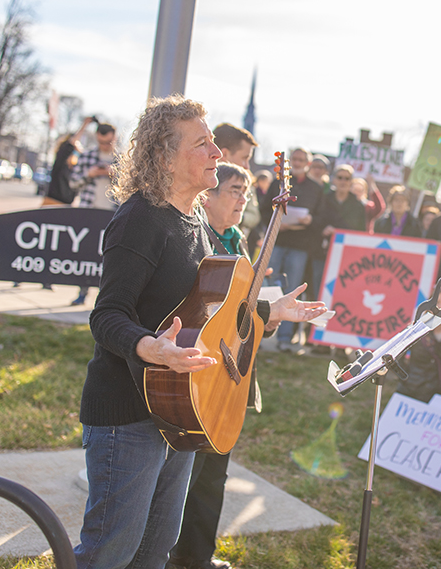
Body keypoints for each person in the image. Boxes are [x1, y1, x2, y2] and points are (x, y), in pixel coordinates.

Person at [74, 95, 325, 569]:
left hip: (179, 408)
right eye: (204, 144)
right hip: (127, 413)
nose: (218, 153)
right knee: (110, 553)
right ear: (165, 156)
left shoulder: (198, 225)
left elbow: (208, 316)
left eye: (215, 143)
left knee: (154, 551)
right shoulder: (140, 219)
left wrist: (269, 312)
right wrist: (153, 348)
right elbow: (106, 317)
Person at [170, 161, 255, 569]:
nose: (243, 198)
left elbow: (245, 319)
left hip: (228, 374)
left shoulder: (239, 244)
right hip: (195, 368)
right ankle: (166, 554)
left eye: (247, 192)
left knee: (212, 475)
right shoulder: (198, 239)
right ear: (210, 195)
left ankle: (197, 558)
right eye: (236, 189)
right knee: (185, 473)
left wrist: (269, 313)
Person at [266, 147, 324, 349]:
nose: (298, 162)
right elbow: (265, 209)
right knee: (268, 286)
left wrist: (310, 220)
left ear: (308, 163)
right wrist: (276, 224)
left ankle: (284, 339)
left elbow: (320, 218)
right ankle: (261, 331)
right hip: (277, 242)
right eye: (295, 159)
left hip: (300, 246)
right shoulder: (277, 183)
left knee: (292, 290)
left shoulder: (316, 189)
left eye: (302, 159)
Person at [70, 121, 120, 306]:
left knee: (109, 259)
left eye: (108, 143)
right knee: (86, 253)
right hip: (89, 211)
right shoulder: (88, 156)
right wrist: (89, 175)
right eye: (101, 142)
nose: (105, 146)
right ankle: (82, 292)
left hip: (114, 214)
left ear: (114, 139)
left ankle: (103, 299)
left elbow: (133, 188)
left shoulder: (122, 159)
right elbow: (73, 183)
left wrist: (115, 175)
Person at [397, 284, 441, 402]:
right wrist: (405, 378)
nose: (440, 307)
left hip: (440, 393)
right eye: (437, 302)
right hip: (410, 389)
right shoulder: (415, 329)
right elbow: (397, 354)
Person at [311, 165, 367, 298]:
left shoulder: (358, 205)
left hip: (345, 256)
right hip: (321, 252)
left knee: (339, 292)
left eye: (347, 178)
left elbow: (360, 231)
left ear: (351, 181)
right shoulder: (324, 198)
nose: (343, 181)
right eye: (340, 177)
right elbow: (314, 220)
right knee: (317, 290)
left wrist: (338, 231)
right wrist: (323, 229)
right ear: (334, 180)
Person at [211, 123, 261, 236]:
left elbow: (254, 216)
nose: (247, 166)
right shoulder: (199, 181)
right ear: (224, 154)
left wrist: (236, 215)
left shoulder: (247, 183)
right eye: (244, 158)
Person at [43, 116, 91, 206]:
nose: (77, 151)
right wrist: (85, 125)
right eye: (75, 149)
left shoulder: (76, 168)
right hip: (52, 202)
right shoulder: (61, 161)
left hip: (66, 206)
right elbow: (70, 144)